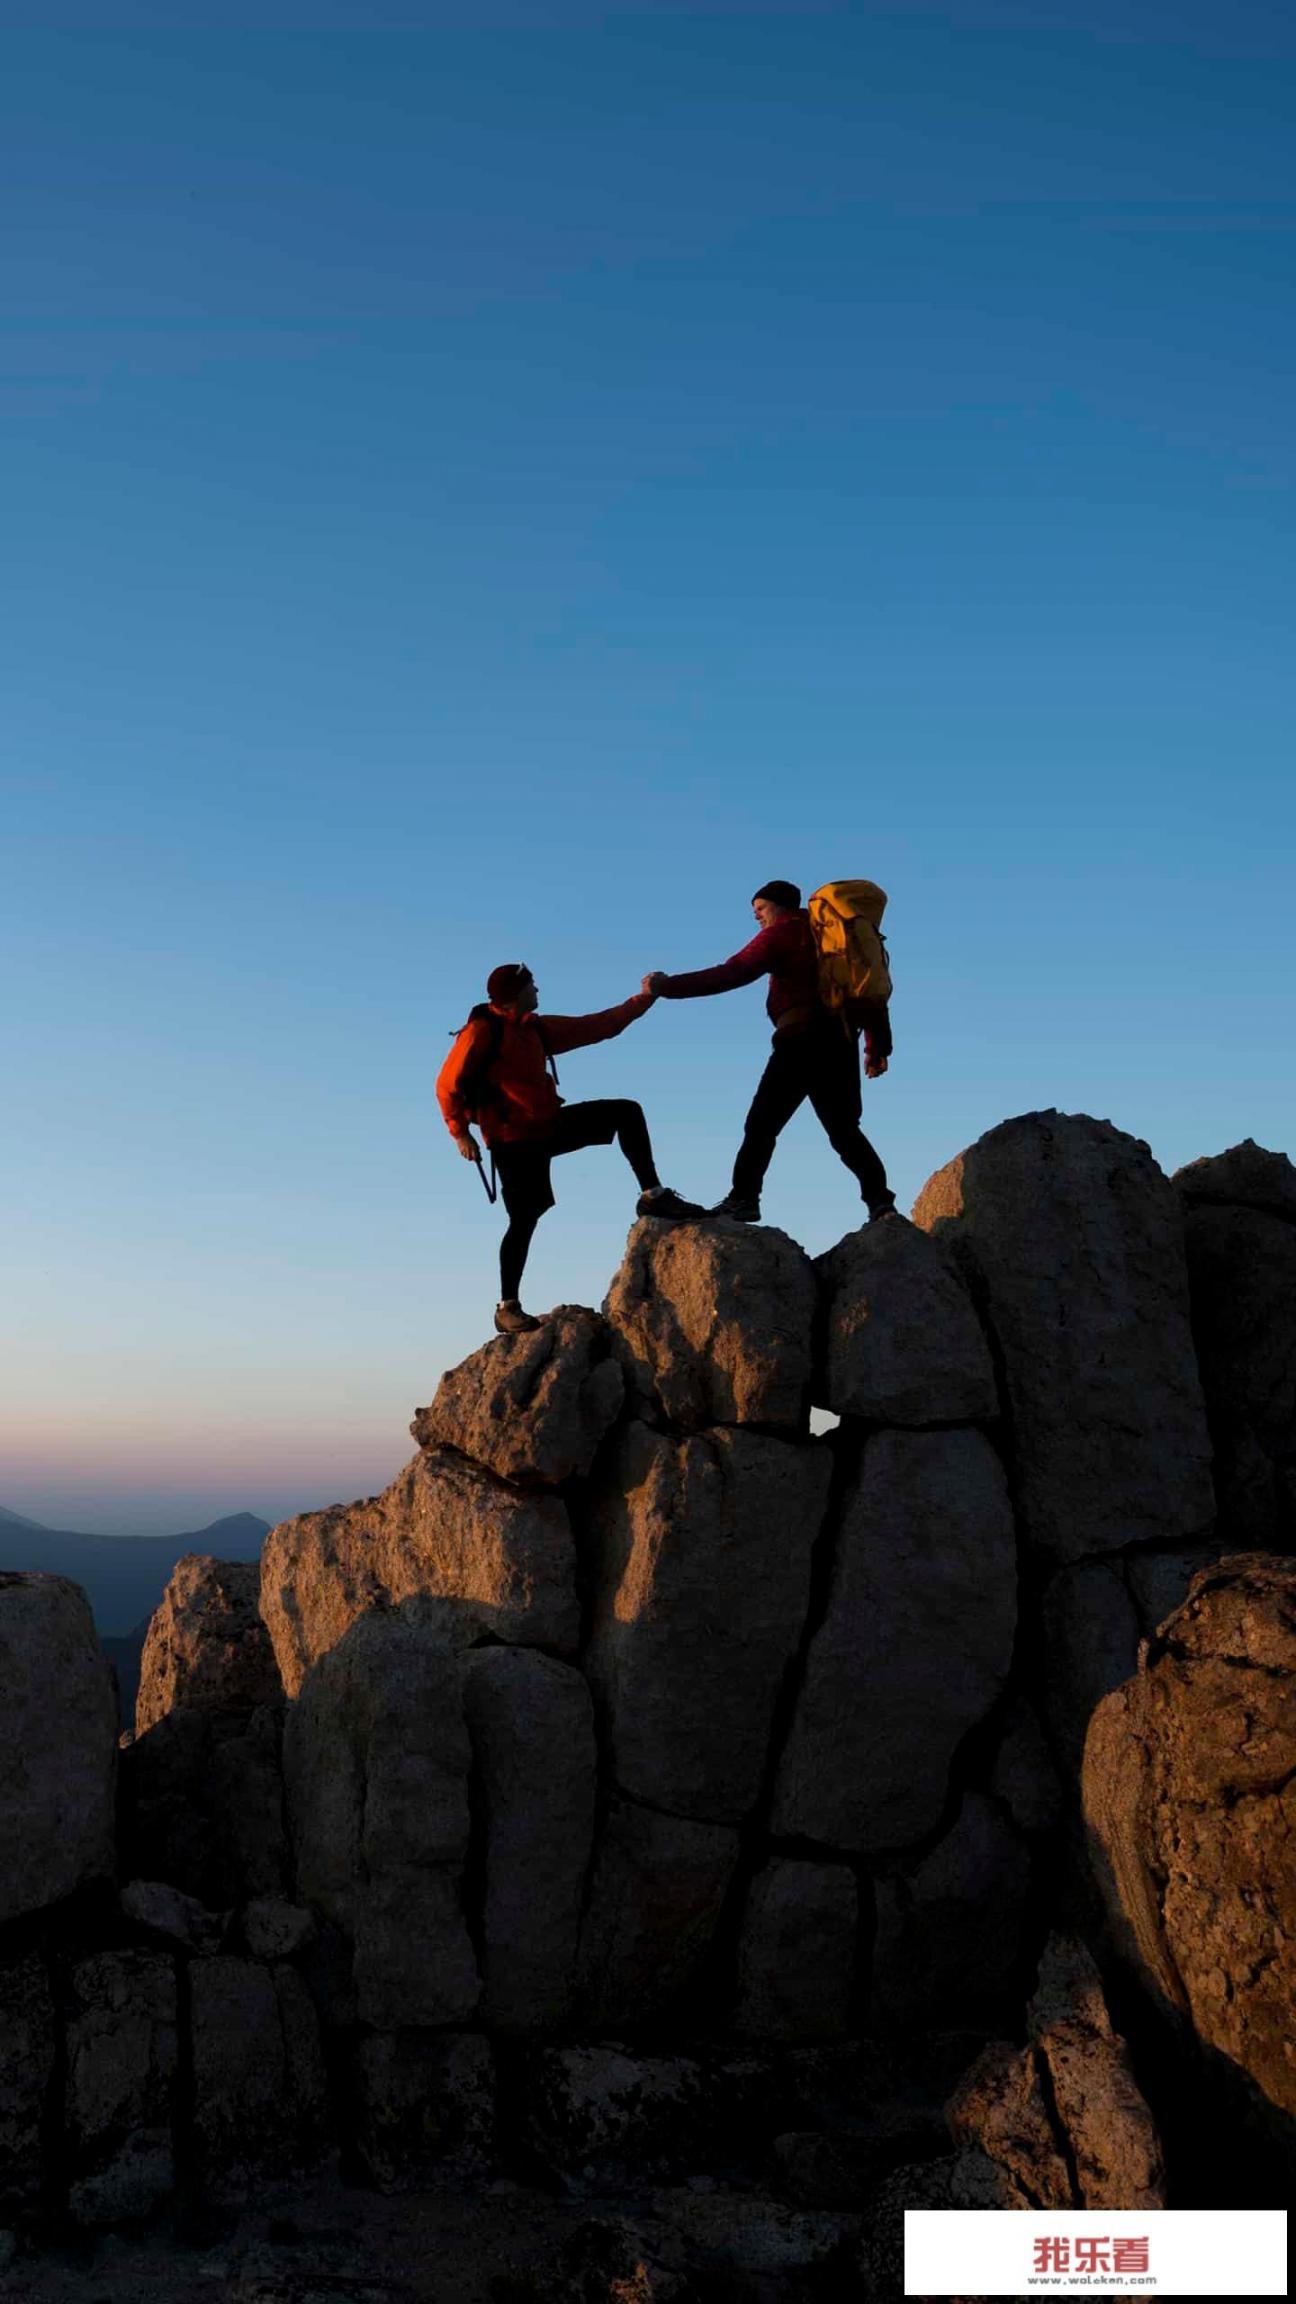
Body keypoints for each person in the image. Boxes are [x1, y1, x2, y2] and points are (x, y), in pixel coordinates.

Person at [438, 962, 700, 1333]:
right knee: (524, 1218)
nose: (539, 991)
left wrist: (644, 999)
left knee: (626, 1112)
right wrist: (459, 1133)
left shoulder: (535, 1028)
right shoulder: (482, 1031)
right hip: (511, 1138)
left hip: (546, 1125)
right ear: (516, 993)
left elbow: (597, 1026)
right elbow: (447, 1084)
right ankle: (506, 1307)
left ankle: (653, 1194)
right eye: (532, 985)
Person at [644, 879, 897, 1224]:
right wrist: (876, 1045)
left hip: (800, 1042)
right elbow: (867, 989)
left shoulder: (785, 932)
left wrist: (666, 987)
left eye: (760, 909)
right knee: (844, 1130)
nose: (757, 918)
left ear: (781, 905)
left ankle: (743, 1199)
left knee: (761, 1124)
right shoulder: (833, 937)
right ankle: (881, 1203)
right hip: (840, 1042)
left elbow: (732, 972)